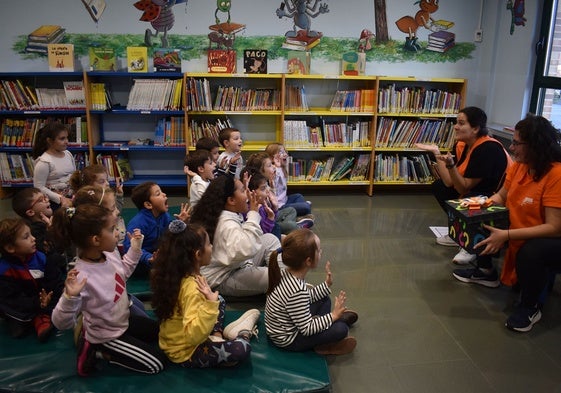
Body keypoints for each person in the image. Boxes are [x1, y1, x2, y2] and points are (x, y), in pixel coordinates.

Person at [50, 204, 166, 376]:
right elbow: (60, 323)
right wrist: (69, 297)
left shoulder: (109, 253)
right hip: (107, 336)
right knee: (157, 365)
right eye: (112, 230)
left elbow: (123, 273)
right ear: (96, 240)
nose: (118, 233)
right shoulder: (82, 277)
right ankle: (98, 351)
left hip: (123, 321)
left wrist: (135, 249)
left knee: (161, 333)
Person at [471, 114, 561, 332]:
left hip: (550, 238)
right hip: (521, 229)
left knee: (532, 252)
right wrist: (479, 206)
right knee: (482, 218)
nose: (511, 148)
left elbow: (554, 227)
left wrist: (508, 235)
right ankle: (485, 272)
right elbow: (501, 197)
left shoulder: (556, 174)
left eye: (516, 143)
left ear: (535, 145)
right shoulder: (520, 166)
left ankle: (530, 307)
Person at [151, 220, 260, 368]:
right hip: (186, 351)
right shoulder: (192, 288)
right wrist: (209, 304)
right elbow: (193, 336)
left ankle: (217, 335)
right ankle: (241, 333)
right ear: (198, 254)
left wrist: (210, 302)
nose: (212, 247)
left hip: (175, 340)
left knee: (219, 299)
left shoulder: (176, 274)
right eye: (209, 244)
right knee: (241, 350)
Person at [415, 106, 511, 265]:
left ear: (475, 128)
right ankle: (459, 231)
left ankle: (472, 241)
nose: (455, 126)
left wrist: (451, 165)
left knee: (468, 197)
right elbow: (449, 182)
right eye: (456, 122)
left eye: (461, 123)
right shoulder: (463, 144)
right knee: (439, 186)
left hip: (496, 199)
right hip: (477, 192)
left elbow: (463, 188)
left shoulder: (488, 148)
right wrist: (436, 152)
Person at [265, 228, 358, 355]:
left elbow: (305, 298)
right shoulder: (297, 290)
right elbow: (306, 329)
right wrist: (333, 316)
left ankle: (325, 323)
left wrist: (326, 285)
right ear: (308, 261)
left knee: (324, 298)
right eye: (319, 251)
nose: (321, 252)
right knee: (341, 329)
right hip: (289, 340)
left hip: (288, 324)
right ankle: (325, 343)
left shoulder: (288, 273)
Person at [190, 175, 281, 297]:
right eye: (243, 190)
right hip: (223, 277)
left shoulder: (225, 213)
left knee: (270, 239)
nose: (248, 193)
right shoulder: (226, 224)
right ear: (231, 200)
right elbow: (246, 249)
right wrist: (253, 214)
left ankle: (284, 281)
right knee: (275, 276)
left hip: (236, 263)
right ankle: (286, 284)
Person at [0, 218, 64, 342]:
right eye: (26, 237)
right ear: (10, 248)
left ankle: (41, 317)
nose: (33, 238)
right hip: (28, 303)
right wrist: (37, 303)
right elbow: (12, 298)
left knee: (63, 293)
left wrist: (48, 297)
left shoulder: (41, 258)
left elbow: (54, 280)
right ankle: (37, 318)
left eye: (31, 234)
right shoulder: (4, 270)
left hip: (46, 298)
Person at [122, 181, 189, 277]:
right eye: (158, 194)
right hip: (142, 265)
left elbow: (170, 233)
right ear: (148, 204)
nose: (164, 194)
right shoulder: (137, 223)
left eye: (161, 192)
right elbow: (129, 248)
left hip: (158, 256)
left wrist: (180, 223)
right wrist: (149, 258)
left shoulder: (164, 215)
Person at [245, 151, 312, 229]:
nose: (274, 167)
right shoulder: (257, 187)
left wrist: (272, 187)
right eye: (270, 165)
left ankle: (295, 222)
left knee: (292, 209)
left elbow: (274, 203)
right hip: (268, 222)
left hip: (274, 213)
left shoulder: (267, 181)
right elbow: (270, 208)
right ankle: (296, 225)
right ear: (260, 170)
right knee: (293, 222)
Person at [11, 187, 67, 274]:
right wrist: (52, 231)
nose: (47, 200)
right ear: (30, 212)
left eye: (45, 197)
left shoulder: (47, 223)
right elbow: (52, 251)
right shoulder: (34, 232)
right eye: (41, 200)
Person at [70, 164, 126, 250]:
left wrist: (119, 195)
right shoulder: (89, 205)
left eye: (107, 180)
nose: (107, 184)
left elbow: (116, 209)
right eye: (102, 181)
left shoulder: (105, 198)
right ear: (89, 186)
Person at [32, 122, 76, 210]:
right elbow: (39, 187)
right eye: (62, 139)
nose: (66, 141)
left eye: (67, 138)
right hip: (54, 202)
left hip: (72, 198)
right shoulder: (44, 162)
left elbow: (74, 175)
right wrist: (60, 199)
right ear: (50, 141)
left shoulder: (68, 154)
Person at [265, 142, 313, 217]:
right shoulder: (274, 170)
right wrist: (276, 167)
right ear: (272, 158)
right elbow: (274, 182)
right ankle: (300, 215)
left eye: (285, 151)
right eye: (281, 152)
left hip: (285, 201)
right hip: (279, 206)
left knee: (298, 196)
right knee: (306, 207)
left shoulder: (282, 168)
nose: (285, 154)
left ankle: (299, 215)